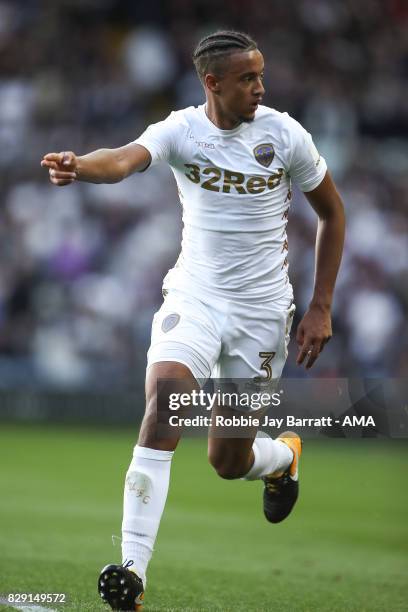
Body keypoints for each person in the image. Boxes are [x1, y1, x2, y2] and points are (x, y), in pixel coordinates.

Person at [41, 30, 345, 611]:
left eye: (261, 75)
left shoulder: (285, 135)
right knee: (166, 400)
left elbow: (332, 213)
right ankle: (132, 571)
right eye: (248, 78)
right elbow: (125, 160)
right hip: (197, 296)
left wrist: (321, 304)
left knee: (227, 462)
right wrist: (80, 166)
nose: (260, 87)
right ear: (213, 83)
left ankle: (281, 457)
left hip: (260, 314)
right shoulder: (181, 129)